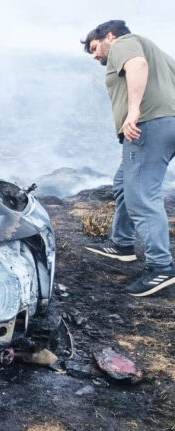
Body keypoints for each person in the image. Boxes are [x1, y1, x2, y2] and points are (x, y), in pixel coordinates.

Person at [81, 20, 175, 297]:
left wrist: (133, 113)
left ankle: (161, 268)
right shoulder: (163, 57)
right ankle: (121, 243)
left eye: (95, 47)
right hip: (165, 125)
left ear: (108, 36)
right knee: (123, 182)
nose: (95, 55)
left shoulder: (124, 43)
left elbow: (136, 65)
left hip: (149, 125)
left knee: (141, 197)